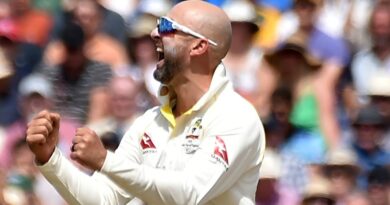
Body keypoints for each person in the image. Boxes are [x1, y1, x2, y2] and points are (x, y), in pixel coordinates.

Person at [26, 1, 266, 205]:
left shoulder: (235, 116)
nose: (154, 33)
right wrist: (51, 159)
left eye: (166, 27)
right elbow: (104, 199)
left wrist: (106, 161)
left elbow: (189, 193)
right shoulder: (150, 121)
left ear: (199, 46)